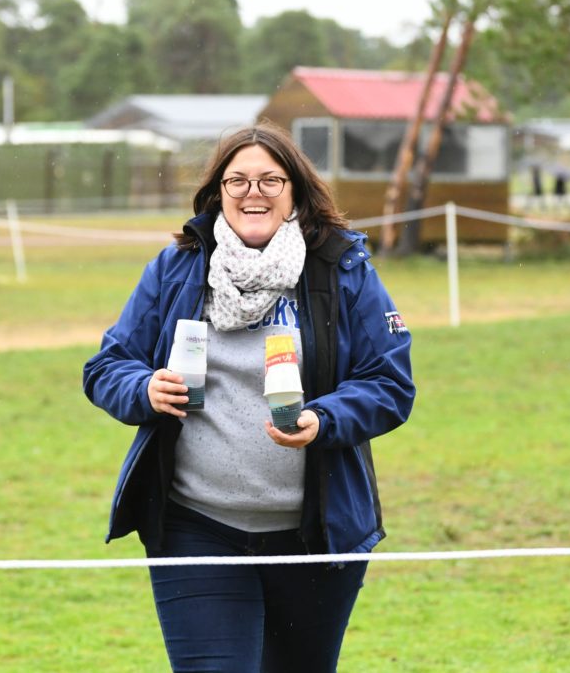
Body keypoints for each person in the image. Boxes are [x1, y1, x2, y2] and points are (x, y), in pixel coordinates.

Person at [83, 123, 415, 672]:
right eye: (237, 180)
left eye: (269, 180)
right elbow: (106, 367)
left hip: (315, 535)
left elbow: (389, 382)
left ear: (295, 194)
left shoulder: (342, 271)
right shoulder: (175, 269)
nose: (252, 192)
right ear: (218, 193)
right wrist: (142, 388)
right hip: (195, 529)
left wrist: (324, 418)